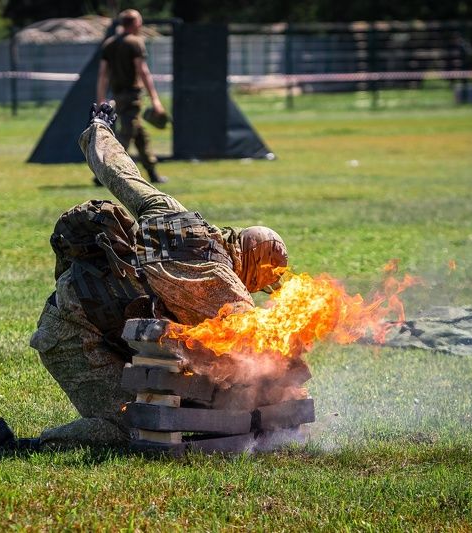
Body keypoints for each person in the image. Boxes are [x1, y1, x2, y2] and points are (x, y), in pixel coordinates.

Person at [28, 102, 289, 447]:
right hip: (73, 339)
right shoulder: (221, 281)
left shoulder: (175, 214)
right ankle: (28, 446)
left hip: (114, 329)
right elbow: (255, 341)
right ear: (253, 268)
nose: (253, 290)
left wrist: (100, 128)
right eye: (258, 284)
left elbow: (121, 174)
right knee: (131, 425)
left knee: (177, 399)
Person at [95, 9, 167, 186]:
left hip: (118, 96)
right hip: (132, 97)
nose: (141, 25)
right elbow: (143, 71)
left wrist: (101, 98)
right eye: (139, 22)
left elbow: (103, 74)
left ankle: (152, 172)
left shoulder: (109, 44)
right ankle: (103, 173)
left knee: (140, 135)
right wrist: (155, 100)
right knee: (125, 136)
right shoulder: (135, 42)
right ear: (134, 23)